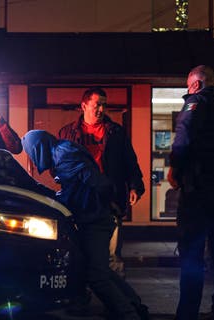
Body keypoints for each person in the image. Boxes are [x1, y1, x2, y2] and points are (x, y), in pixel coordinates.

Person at [22, 130, 148, 320]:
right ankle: (136, 308)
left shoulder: (64, 154)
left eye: (32, 152)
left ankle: (129, 315)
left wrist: (105, 204)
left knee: (96, 277)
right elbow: (77, 187)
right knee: (103, 272)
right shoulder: (62, 151)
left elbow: (98, 183)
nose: (33, 157)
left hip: (95, 221)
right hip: (94, 218)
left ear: (38, 146)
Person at [167, 65, 214, 320]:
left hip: (196, 190)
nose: (188, 91)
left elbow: (183, 138)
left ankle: (187, 312)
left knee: (191, 253)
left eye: (188, 86)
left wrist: (174, 169)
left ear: (196, 84)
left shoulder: (196, 102)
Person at [58, 87, 145, 277]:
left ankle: (117, 300)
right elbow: (58, 164)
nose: (101, 109)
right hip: (80, 199)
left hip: (109, 198)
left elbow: (129, 160)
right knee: (78, 249)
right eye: (97, 105)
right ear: (84, 106)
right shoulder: (68, 133)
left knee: (112, 254)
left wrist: (135, 186)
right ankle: (82, 296)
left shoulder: (115, 132)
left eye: (104, 105)